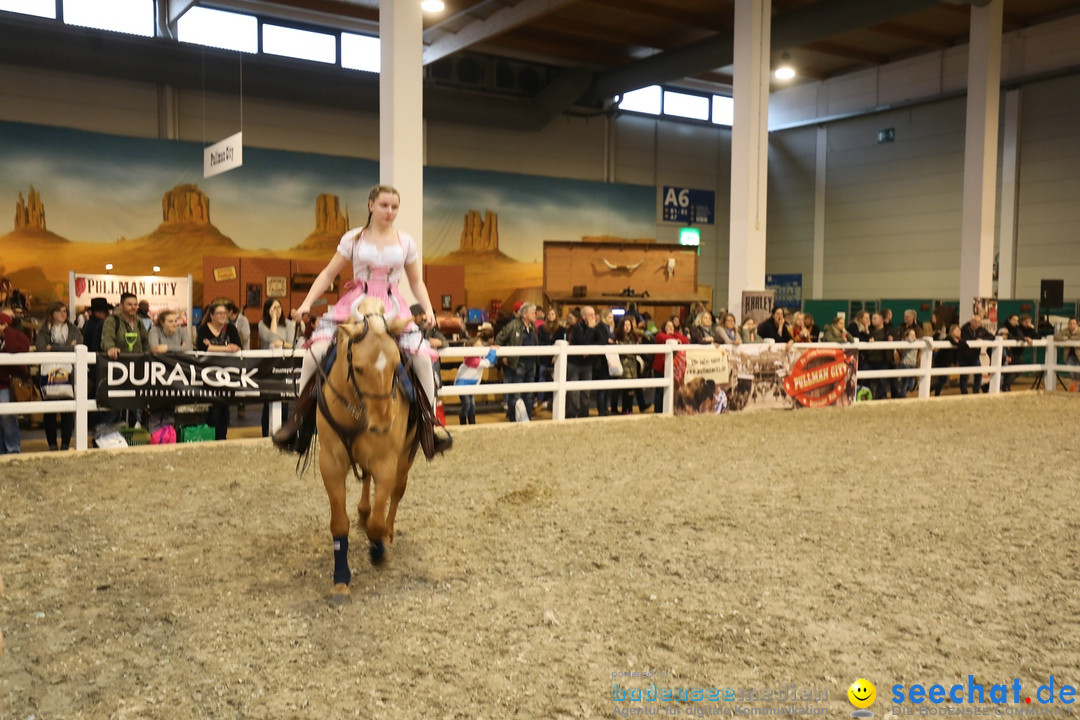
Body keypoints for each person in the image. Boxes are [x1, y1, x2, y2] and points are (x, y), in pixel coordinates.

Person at [271, 184, 451, 455]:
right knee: (314, 354)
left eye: (394, 207)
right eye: (384, 205)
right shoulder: (353, 238)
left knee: (423, 359)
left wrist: (429, 309)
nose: (389, 211)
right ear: (371, 205)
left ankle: (429, 423)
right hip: (354, 307)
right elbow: (328, 274)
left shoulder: (406, 242)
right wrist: (306, 303)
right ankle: (300, 421)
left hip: (393, 309)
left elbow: (416, 281)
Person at [34, 300, 82, 451]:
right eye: (59, 311)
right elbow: (41, 349)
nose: (63, 314)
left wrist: (53, 347)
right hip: (48, 375)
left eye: (65, 311)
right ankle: (52, 444)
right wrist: (67, 347)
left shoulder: (74, 329)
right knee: (50, 412)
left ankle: (66, 444)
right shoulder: (44, 331)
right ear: (51, 313)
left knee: (68, 411)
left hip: (69, 374)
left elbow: (78, 347)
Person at [197, 301, 242, 440]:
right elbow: (202, 348)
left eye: (224, 313)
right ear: (211, 315)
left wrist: (214, 347)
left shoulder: (231, 329)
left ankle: (223, 436)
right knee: (213, 407)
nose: (223, 316)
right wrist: (224, 348)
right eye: (219, 313)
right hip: (209, 372)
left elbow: (237, 346)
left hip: (227, 372)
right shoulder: (204, 329)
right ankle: (212, 436)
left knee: (224, 407)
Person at [147, 309, 192, 434]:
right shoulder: (154, 331)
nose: (175, 324)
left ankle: (168, 435)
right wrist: (179, 349)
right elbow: (155, 348)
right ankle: (155, 436)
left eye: (176, 321)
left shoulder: (181, 331)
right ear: (162, 323)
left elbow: (189, 348)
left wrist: (167, 348)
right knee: (157, 406)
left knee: (170, 406)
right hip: (157, 373)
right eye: (170, 321)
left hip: (175, 373)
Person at [258, 298, 296, 436]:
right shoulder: (262, 324)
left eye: (279, 307)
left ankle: (283, 432)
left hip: (285, 365)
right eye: (274, 308)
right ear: (268, 310)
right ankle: (266, 434)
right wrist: (273, 319)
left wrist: (281, 343)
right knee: (269, 400)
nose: (277, 310)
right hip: (268, 366)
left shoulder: (289, 324)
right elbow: (272, 339)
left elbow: (291, 344)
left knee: (284, 399)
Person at [494, 302, 537, 422]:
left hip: (531, 365)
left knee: (528, 394)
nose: (535, 315)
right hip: (518, 364)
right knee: (516, 394)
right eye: (533, 313)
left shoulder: (533, 328)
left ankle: (527, 418)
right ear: (524, 314)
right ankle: (513, 419)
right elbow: (499, 339)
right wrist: (502, 357)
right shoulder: (512, 326)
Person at [0, 309, 31, 454]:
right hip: (3, 383)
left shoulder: (18, 336)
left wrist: (7, 332)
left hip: (7, 384)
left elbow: (15, 349)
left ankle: (13, 450)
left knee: (8, 418)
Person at [567, 305, 603, 418]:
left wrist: (590, 349)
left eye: (594, 314)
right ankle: (572, 414)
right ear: (583, 316)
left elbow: (602, 341)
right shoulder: (577, 328)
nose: (594, 317)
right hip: (575, 363)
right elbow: (582, 341)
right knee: (574, 392)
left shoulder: (596, 327)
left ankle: (584, 413)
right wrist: (591, 329)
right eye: (591, 315)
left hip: (587, 364)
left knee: (586, 392)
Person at [454, 337, 497, 424]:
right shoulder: (470, 359)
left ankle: (472, 423)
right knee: (467, 403)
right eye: (477, 345)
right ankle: (462, 418)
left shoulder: (480, 356)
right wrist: (492, 351)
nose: (480, 347)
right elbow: (487, 363)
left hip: (473, 383)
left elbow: (491, 362)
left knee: (472, 405)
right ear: (471, 347)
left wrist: (492, 350)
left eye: (481, 344)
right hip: (462, 384)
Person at [652, 318, 689, 413]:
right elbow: (665, 338)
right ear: (664, 327)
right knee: (659, 391)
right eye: (668, 326)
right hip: (660, 368)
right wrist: (675, 338)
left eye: (672, 326)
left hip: (672, 368)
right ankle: (658, 411)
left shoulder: (675, 335)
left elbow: (686, 341)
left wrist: (675, 334)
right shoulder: (660, 335)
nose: (670, 328)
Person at [614, 315, 647, 414]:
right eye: (625, 325)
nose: (627, 327)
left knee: (632, 389)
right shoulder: (617, 336)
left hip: (633, 366)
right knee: (625, 389)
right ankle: (624, 409)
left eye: (629, 325)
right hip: (623, 365)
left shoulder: (634, 336)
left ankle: (630, 409)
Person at [536, 307, 565, 411]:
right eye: (549, 314)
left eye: (553, 314)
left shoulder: (561, 329)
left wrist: (555, 354)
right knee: (542, 379)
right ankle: (540, 401)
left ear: (556, 316)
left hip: (556, 359)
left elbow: (563, 341)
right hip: (544, 358)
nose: (551, 316)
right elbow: (539, 342)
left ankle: (554, 402)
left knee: (555, 380)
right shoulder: (541, 328)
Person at [958, 313, 994, 394]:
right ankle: (964, 393)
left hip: (975, 356)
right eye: (975, 322)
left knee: (978, 374)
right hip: (964, 356)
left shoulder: (981, 330)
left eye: (979, 322)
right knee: (964, 376)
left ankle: (976, 391)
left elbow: (992, 336)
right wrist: (975, 340)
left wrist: (982, 339)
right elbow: (965, 341)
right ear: (971, 321)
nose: (977, 324)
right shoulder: (964, 329)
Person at [931, 323, 962, 396]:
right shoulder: (948, 338)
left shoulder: (959, 340)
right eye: (956, 330)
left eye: (959, 330)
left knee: (942, 380)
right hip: (940, 361)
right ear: (952, 331)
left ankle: (936, 394)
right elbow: (955, 344)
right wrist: (959, 343)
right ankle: (931, 389)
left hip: (947, 362)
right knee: (943, 380)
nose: (958, 332)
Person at [1055, 317, 1080, 391]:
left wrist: (1071, 338)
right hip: (1069, 355)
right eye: (1070, 323)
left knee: (1078, 373)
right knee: (1072, 374)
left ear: (1077, 324)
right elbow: (1056, 336)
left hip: (1079, 355)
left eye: (1073, 323)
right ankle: (1075, 390)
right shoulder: (1065, 331)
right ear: (1068, 324)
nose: (1072, 325)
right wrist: (1065, 338)